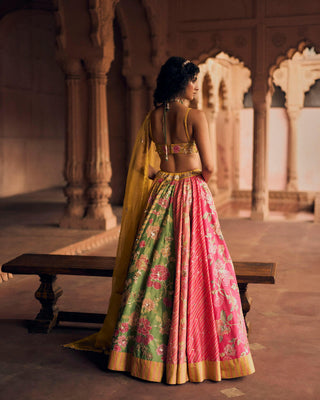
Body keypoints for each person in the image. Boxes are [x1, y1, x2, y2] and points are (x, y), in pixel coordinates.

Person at [66, 56, 255, 385]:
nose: (196, 86)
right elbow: (209, 165)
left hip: (162, 192)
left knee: (156, 270)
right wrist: (197, 182)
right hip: (191, 193)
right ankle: (197, 351)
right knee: (201, 269)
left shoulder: (153, 117)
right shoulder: (195, 116)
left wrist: (166, 176)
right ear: (182, 82)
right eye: (193, 80)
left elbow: (146, 166)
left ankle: (143, 353)